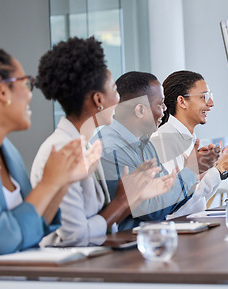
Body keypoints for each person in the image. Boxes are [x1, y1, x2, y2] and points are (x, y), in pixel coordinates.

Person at [0, 25, 101, 289]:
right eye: (26, 82)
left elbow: (33, 222)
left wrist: (64, 180)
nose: (30, 93)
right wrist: (49, 183)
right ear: (2, 91)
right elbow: (1, 238)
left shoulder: (6, 149)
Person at [31, 37, 175, 246]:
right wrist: (122, 201)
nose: (120, 100)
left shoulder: (84, 145)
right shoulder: (62, 150)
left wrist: (136, 195)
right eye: (115, 91)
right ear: (98, 100)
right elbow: (75, 237)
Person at [94, 71, 197, 230]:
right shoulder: (110, 149)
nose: (164, 111)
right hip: (126, 247)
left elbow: (167, 198)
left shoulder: (144, 143)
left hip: (151, 238)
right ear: (140, 110)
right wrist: (190, 172)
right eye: (159, 105)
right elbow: (150, 209)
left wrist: (189, 174)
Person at [151, 70, 228, 215]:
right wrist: (220, 170)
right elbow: (176, 204)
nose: (211, 103)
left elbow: (197, 199)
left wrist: (218, 167)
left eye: (210, 96)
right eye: (203, 97)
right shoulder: (163, 141)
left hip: (193, 225)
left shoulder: (187, 138)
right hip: (178, 231)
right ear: (182, 101)